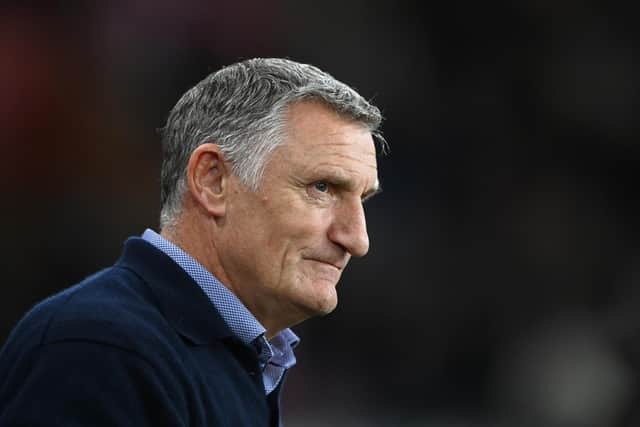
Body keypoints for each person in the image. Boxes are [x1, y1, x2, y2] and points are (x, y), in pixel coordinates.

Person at [0, 58, 386, 426]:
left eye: (362, 199)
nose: (357, 238)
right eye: (322, 187)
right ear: (213, 181)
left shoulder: (236, 358)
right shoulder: (99, 349)